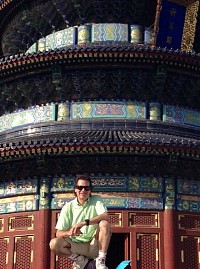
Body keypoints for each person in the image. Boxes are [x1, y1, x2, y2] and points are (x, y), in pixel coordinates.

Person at [49, 175, 111, 269]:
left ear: (90, 190)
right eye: (80, 187)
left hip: (94, 244)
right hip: (77, 246)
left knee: (104, 224)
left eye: (86, 188)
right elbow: (58, 233)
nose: (83, 190)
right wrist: (69, 233)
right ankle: (79, 260)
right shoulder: (68, 207)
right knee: (54, 243)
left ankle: (100, 261)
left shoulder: (96, 200)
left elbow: (105, 216)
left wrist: (84, 223)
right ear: (75, 189)